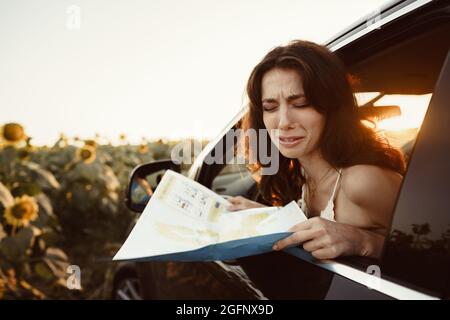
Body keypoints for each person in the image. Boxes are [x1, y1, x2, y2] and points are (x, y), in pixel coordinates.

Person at [227, 40, 405, 260]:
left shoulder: (362, 180)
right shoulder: (299, 176)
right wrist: (264, 217)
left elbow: (435, 251)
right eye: (270, 107)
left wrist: (363, 241)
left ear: (331, 107)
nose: (283, 122)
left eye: (301, 104)